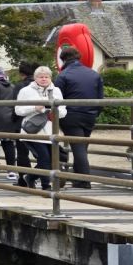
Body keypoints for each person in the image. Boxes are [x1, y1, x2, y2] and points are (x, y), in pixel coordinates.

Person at [55, 43, 103, 188]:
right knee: (82, 147)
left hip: (71, 115)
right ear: (78, 57)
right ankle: (79, 178)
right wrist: (95, 113)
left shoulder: (63, 75)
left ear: (63, 59)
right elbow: (100, 98)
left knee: (78, 147)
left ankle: (84, 180)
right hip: (90, 114)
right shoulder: (94, 74)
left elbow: (57, 97)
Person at [15, 65, 67, 191]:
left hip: (51, 130)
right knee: (44, 159)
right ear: (35, 78)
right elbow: (18, 110)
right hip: (33, 131)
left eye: (46, 77)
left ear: (50, 78)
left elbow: (63, 111)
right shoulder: (26, 91)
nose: (44, 79)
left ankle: (31, 177)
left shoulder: (56, 91)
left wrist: (55, 112)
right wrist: (35, 108)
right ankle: (46, 185)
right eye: (40, 77)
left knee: (51, 160)